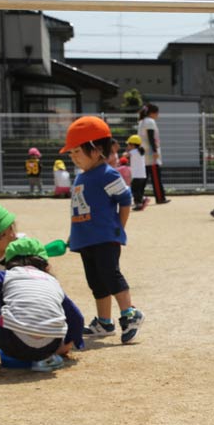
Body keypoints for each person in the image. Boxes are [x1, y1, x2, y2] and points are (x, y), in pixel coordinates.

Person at [60, 115, 145, 345]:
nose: (73, 157)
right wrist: (74, 234)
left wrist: (119, 227)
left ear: (96, 150)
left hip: (105, 237)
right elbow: (80, 209)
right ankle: (104, 321)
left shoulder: (108, 174)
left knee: (110, 275)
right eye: (71, 153)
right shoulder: (81, 177)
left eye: (77, 151)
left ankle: (130, 313)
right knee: (95, 281)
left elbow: (125, 200)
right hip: (85, 238)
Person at [0, 237, 85, 372]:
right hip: (49, 347)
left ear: (8, 262)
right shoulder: (53, 282)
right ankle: (44, 360)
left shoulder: (6, 275)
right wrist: (69, 345)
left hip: (11, 343)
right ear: (46, 266)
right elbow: (77, 318)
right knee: (51, 305)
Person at [138, 103, 169, 204]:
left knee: (144, 177)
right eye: (157, 113)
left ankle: (138, 197)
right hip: (150, 154)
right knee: (156, 177)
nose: (158, 115)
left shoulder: (141, 121)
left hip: (144, 153)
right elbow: (151, 138)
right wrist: (155, 151)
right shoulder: (150, 122)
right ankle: (160, 198)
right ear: (153, 113)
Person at [125, 134, 149, 211]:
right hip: (143, 175)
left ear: (132, 145)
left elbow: (125, 155)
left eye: (128, 144)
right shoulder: (140, 151)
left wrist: (126, 151)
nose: (127, 146)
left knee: (135, 190)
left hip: (137, 175)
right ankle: (143, 199)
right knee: (139, 190)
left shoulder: (133, 151)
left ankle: (138, 204)